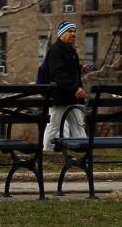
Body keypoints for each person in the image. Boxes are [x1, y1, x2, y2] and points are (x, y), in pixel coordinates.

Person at [42, 21, 92, 151]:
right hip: (60, 97)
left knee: (78, 125)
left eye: (74, 31)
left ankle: (83, 152)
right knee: (54, 126)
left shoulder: (71, 50)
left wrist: (80, 69)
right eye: (69, 31)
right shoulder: (55, 51)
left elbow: (67, 71)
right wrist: (75, 88)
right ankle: (48, 152)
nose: (73, 34)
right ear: (61, 33)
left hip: (72, 97)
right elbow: (58, 74)